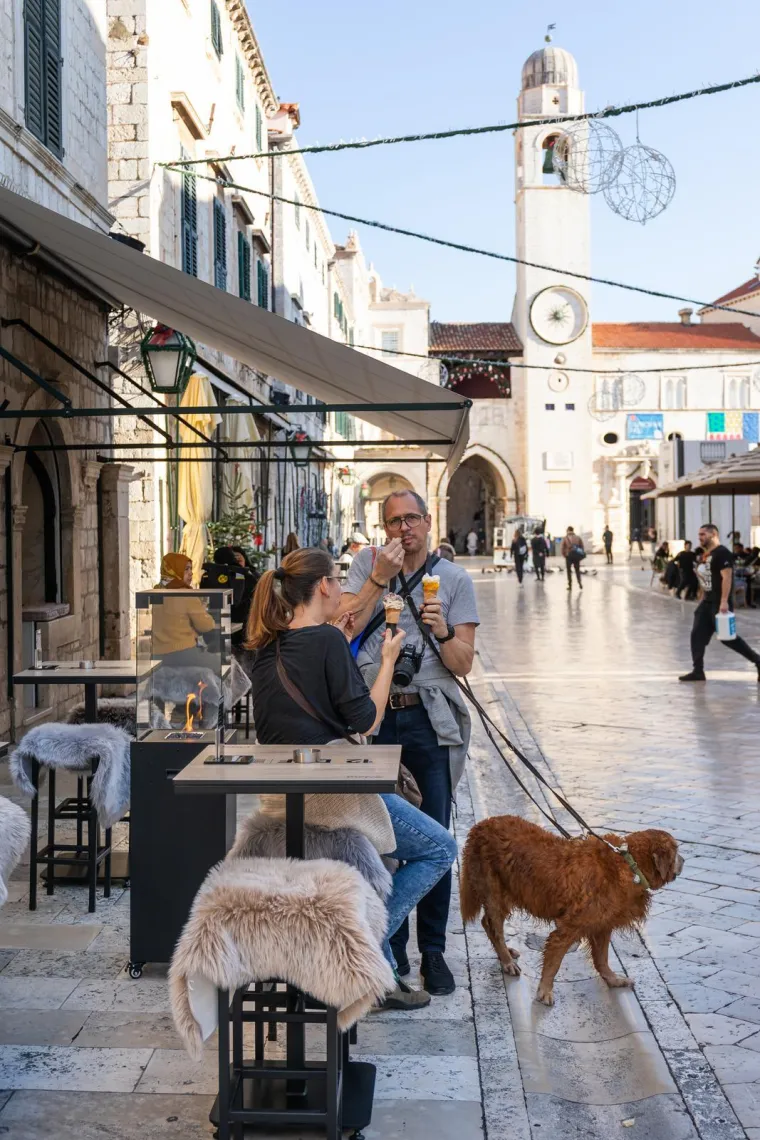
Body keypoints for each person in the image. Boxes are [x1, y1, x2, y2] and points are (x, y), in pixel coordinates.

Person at [244, 547, 457, 1010]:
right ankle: (360, 940)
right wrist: (387, 661)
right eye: (339, 581)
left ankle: (379, 974)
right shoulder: (325, 640)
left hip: (280, 801)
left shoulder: (266, 647)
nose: (342, 589)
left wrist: (339, 648)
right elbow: (367, 721)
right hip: (334, 797)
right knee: (440, 848)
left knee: (396, 852)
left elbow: (290, 725)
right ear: (323, 586)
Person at [339, 490, 479, 996]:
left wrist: (442, 633)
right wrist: (379, 578)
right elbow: (343, 625)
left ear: (428, 520)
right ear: (384, 527)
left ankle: (433, 951)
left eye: (412, 518)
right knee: (380, 834)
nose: (404, 528)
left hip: (428, 718)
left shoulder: (455, 579)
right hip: (374, 718)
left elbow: (464, 663)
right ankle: (391, 946)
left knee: (434, 832)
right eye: (394, 521)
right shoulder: (366, 565)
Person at [679, 524, 760, 682]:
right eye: (699, 534)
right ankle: (698, 671)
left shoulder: (723, 553)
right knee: (697, 635)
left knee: (728, 638)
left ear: (713, 534)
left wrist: (724, 601)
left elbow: (727, 578)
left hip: (719, 603)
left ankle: (757, 660)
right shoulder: (708, 554)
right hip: (707, 602)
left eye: (703, 534)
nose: (699, 537)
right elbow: (710, 578)